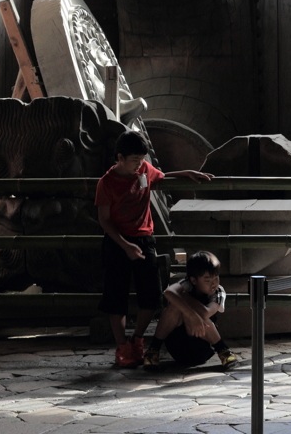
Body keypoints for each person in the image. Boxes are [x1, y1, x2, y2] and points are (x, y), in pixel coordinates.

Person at [95, 130, 213, 367]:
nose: (139, 166)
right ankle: (122, 348)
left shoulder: (144, 170)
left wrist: (186, 174)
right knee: (115, 298)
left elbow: (161, 175)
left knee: (151, 296)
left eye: (141, 160)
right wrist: (126, 245)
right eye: (134, 161)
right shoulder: (106, 182)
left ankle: (137, 340)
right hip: (117, 242)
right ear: (120, 157)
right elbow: (104, 220)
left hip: (144, 239)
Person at [143, 250, 238, 372]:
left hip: (202, 348)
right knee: (174, 307)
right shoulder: (187, 283)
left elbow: (205, 312)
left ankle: (224, 352)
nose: (213, 284)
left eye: (216, 278)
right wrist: (191, 314)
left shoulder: (218, 292)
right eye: (207, 280)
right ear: (193, 280)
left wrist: (183, 297)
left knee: (183, 303)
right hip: (177, 346)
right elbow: (168, 292)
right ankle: (153, 351)